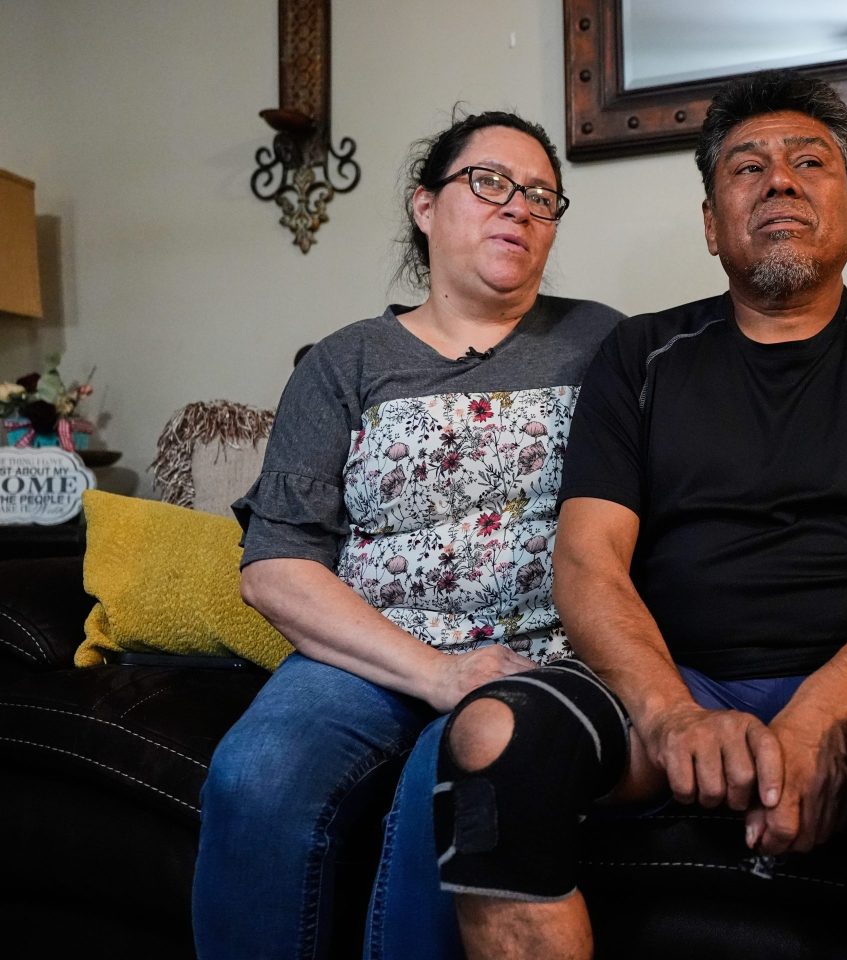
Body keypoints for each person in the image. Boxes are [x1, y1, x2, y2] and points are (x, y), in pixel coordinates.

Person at [432, 71, 847, 960]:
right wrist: (672, 716)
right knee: (494, 736)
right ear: (712, 223)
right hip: (683, 684)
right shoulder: (638, 356)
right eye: (747, 168)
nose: (781, 180)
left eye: (811, 162)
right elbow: (588, 563)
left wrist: (820, 717)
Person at [190, 110, 624, 960]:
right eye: (490, 183)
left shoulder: (603, 341)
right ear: (425, 207)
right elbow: (275, 566)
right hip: (368, 653)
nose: (519, 207)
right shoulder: (345, 362)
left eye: (542, 196)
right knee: (256, 774)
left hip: (541, 656)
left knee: (457, 789)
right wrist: (438, 672)